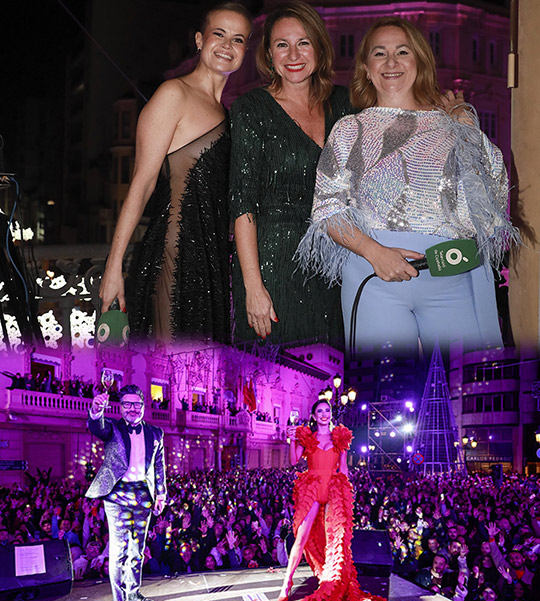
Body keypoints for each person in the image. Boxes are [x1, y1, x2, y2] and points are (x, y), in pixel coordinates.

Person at [299, 17, 517, 356]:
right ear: (367, 69)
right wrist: (376, 253)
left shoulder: (453, 126)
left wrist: (466, 126)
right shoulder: (349, 129)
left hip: (450, 274)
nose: (391, 62)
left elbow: (491, 202)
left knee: (464, 384)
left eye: (402, 51)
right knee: (384, 387)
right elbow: (328, 211)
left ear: (420, 63)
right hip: (374, 277)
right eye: (379, 53)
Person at [99, 4, 252, 340]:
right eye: (219, 34)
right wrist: (113, 268)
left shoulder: (226, 113)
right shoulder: (173, 94)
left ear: (245, 50)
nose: (228, 45)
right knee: (166, 378)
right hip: (170, 256)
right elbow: (141, 185)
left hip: (209, 265)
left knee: (197, 384)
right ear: (199, 40)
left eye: (238, 39)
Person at [276, 399, 461, 601]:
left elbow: (345, 467)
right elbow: (294, 461)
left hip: (336, 487)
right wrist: (290, 439)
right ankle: (287, 582)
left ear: (330, 414)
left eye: (327, 410)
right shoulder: (307, 435)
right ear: (314, 416)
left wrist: (350, 493)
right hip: (312, 485)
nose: (324, 414)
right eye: (320, 411)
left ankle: (330, 580)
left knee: (336, 540)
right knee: (302, 535)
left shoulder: (340, 435)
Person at [229, 1, 350, 344]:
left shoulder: (345, 103)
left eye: (304, 42)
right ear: (269, 54)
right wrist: (253, 286)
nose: (293, 54)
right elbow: (243, 201)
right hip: (273, 265)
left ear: (320, 48)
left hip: (335, 262)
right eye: (282, 44)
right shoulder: (251, 108)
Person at [86, 385, 166, 601]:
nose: (132, 409)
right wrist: (96, 410)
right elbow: (96, 427)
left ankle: (133, 592)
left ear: (143, 405)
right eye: (127, 404)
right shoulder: (113, 428)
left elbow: (159, 466)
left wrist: (160, 494)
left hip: (143, 495)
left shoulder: (156, 433)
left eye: (137, 404)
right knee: (119, 552)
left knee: (137, 550)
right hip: (117, 496)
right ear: (120, 408)